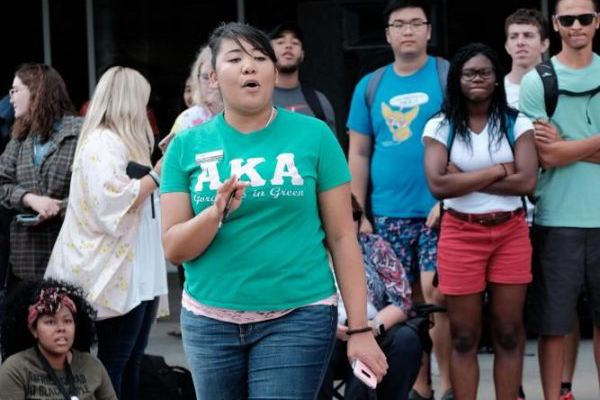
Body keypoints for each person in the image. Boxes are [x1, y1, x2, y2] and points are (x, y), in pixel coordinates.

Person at [160, 22, 387, 400]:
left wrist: (361, 329)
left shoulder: (314, 136)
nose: (250, 67)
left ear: (273, 71)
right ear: (214, 77)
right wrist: (214, 213)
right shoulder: (185, 146)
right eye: (235, 59)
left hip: (299, 317)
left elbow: (342, 237)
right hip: (208, 322)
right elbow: (175, 249)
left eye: (259, 58)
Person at [346, 1, 451, 398]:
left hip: (436, 211)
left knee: (436, 296)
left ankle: (451, 385)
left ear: (428, 30)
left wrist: (449, 199)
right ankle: (419, 387)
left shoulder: (445, 75)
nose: (408, 31)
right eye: (399, 25)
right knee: (400, 301)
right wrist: (358, 213)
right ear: (387, 34)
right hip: (386, 214)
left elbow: (463, 139)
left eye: (416, 23)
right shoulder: (371, 85)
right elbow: (358, 152)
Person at [422, 42, 538, 400]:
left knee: (507, 331)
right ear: (457, 79)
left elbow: (527, 182)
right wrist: (501, 169)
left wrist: (465, 176)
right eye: (469, 72)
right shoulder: (440, 125)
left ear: (496, 79)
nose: (477, 78)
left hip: (510, 232)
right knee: (463, 335)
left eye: (485, 72)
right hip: (460, 232)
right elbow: (438, 185)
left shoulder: (516, 122)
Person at [44, 66, 168, 400]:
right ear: (128, 101)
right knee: (116, 361)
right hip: (113, 270)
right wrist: (157, 173)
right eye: (141, 100)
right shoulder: (102, 142)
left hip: (135, 267)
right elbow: (110, 202)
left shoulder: (123, 142)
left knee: (131, 360)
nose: (146, 108)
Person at [518, 0, 600, 399]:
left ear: (597, 21)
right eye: (568, 19)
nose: (577, 25)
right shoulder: (539, 80)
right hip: (558, 219)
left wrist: (568, 145)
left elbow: (558, 150)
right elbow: (546, 155)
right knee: (553, 324)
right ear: (555, 24)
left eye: (585, 17)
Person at [318, 196, 421, 400]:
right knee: (313, 345)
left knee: (406, 339)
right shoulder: (310, 253)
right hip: (326, 333)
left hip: (376, 327)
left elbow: (402, 300)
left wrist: (372, 327)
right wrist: (326, 327)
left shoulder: (375, 246)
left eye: (354, 216)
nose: (348, 222)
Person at [0, 64, 82, 284]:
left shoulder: (80, 133)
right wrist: (30, 199)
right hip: (25, 263)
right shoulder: (20, 137)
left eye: (15, 90)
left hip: (70, 257)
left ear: (37, 91)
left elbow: (94, 191)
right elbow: (2, 183)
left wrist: (59, 207)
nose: (11, 99)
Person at [0, 279, 117, 400]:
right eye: (50, 322)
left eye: (67, 321)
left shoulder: (92, 366)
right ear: (34, 330)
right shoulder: (15, 370)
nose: (61, 328)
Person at [269, 22, 337, 132]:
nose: (288, 46)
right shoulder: (257, 100)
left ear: (302, 54)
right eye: (280, 42)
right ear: (268, 53)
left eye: (295, 43)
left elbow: (330, 148)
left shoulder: (318, 101)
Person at [167, 46, 223, 138]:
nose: (212, 84)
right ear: (197, 79)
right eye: (205, 77)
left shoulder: (250, 114)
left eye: (217, 76)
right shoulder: (187, 119)